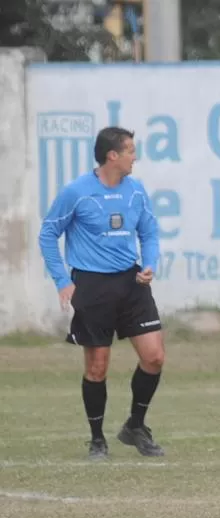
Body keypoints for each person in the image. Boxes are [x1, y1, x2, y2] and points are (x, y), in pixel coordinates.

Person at [38, 126, 165, 460]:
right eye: (130, 151)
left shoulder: (136, 191)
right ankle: (97, 440)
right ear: (113, 156)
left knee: (154, 357)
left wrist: (149, 264)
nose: (135, 156)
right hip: (92, 285)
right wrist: (63, 280)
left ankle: (135, 426)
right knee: (97, 366)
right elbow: (48, 234)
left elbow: (149, 232)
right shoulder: (76, 192)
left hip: (132, 283)